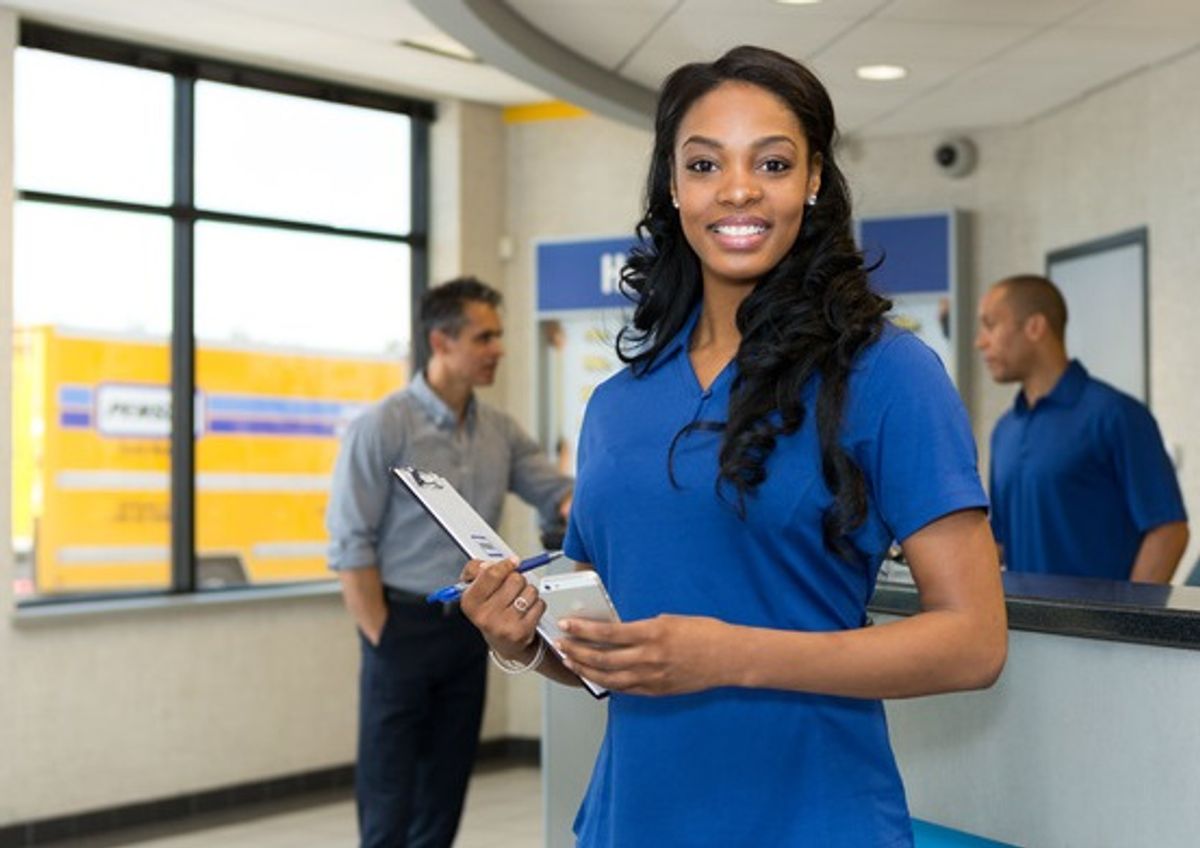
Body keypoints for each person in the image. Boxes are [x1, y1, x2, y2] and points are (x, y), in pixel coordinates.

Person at [458, 46, 1007, 847]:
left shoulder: (886, 373)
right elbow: (608, 650)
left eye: (773, 162)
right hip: (631, 822)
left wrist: (732, 656)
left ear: (814, 179)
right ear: (673, 187)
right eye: (706, 163)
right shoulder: (617, 405)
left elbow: (972, 641)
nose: (739, 188)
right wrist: (519, 639)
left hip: (815, 820)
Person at [325, 277, 572, 848]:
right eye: (484, 337)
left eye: (499, 336)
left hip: (468, 625)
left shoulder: (500, 432)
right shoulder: (382, 427)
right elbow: (350, 543)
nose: (498, 350)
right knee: (390, 790)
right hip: (400, 627)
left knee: (446, 784)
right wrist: (380, 633)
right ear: (441, 342)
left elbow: (556, 492)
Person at [976, 274, 1188, 582]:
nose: (980, 341)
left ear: (1035, 327)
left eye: (990, 325)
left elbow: (1169, 532)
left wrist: (1127, 622)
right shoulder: (1005, 430)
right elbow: (1001, 542)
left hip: (1098, 630)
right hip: (1025, 628)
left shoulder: (1116, 415)